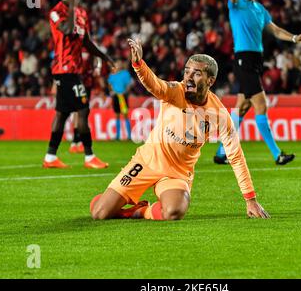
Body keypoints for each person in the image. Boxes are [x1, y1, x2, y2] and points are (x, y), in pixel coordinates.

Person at [89, 39, 270, 221]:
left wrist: (250, 199)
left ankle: (141, 211)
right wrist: (138, 65)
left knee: (173, 212)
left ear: (210, 80)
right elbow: (155, 84)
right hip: (146, 162)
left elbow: (236, 157)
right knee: (99, 213)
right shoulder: (176, 91)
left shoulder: (219, 115)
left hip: (177, 173)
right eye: (187, 71)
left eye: (196, 73)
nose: (188, 77)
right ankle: (121, 205)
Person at [214, 0, 301, 165]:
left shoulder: (260, 9)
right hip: (243, 59)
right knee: (261, 104)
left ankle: (221, 152)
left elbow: (275, 30)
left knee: (242, 107)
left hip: (255, 60)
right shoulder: (236, 3)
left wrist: (294, 38)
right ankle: (277, 154)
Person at [43, 0, 114, 169]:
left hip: (75, 70)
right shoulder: (56, 12)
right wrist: (73, 6)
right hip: (64, 70)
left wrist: (105, 57)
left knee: (63, 113)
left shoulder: (82, 14)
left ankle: (50, 157)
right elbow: (66, 30)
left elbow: (87, 42)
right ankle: (89, 157)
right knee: (83, 110)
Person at [107, 59, 134, 141]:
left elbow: (130, 84)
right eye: (116, 63)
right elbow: (109, 84)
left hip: (122, 96)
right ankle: (117, 136)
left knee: (125, 114)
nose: (118, 65)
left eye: (119, 63)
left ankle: (129, 136)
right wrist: (112, 91)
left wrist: (126, 91)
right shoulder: (112, 75)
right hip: (115, 96)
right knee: (117, 115)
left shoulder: (125, 73)